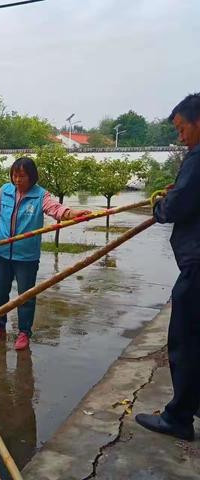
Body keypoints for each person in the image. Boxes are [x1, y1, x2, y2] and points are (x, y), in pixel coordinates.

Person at [136, 93, 200, 441]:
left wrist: (161, 205)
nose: (181, 137)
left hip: (197, 264)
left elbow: (175, 208)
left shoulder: (197, 158)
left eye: (182, 129)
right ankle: (194, 401)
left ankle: (179, 417)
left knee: (184, 339)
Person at [0, 157, 91, 351]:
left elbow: (56, 209)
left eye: (22, 176)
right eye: (15, 175)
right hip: (2, 253)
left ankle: (24, 333)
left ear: (32, 177)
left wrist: (72, 214)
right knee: (0, 293)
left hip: (26, 257)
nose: (17, 180)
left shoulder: (41, 195)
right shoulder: (4, 191)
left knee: (26, 296)